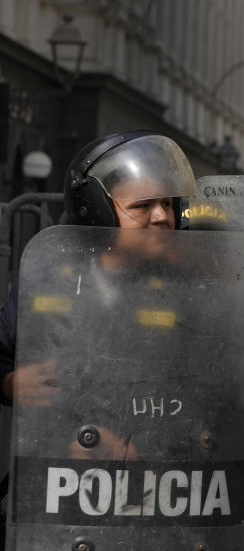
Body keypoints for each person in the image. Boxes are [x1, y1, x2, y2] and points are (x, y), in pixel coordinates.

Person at [0, 130, 196, 405]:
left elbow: (212, 388)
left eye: (167, 203)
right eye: (142, 206)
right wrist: (10, 383)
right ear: (98, 211)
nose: (162, 216)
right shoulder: (49, 280)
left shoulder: (190, 288)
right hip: (58, 443)